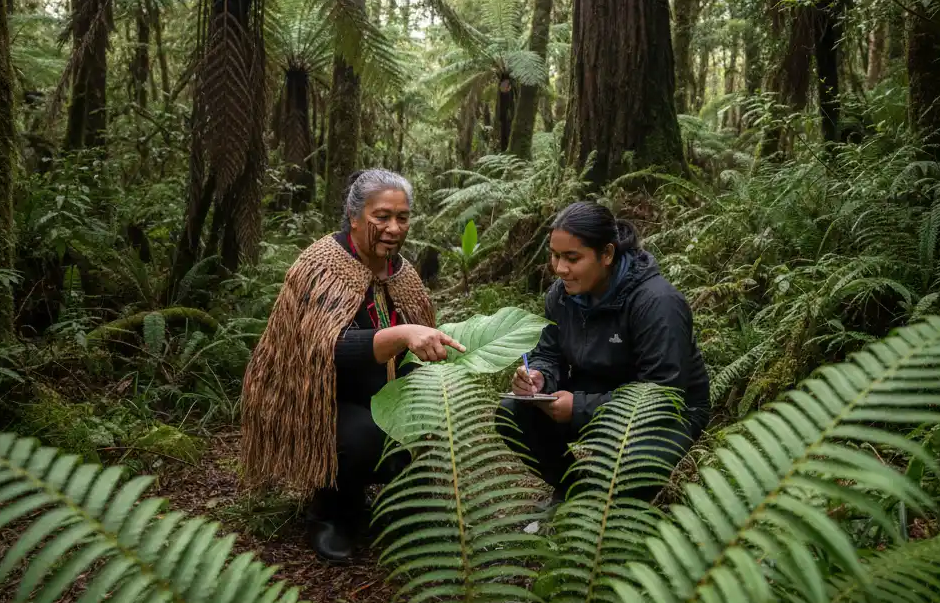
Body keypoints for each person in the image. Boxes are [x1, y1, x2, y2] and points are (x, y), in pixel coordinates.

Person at [241, 168, 464, 564]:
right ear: (355, 215)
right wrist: (398, 336)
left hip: (382, 391)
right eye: (382, 216)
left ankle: (405, 500)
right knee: (362, 439)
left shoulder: (404, 274)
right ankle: (330, 512)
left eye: (403, 217)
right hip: (317, 397)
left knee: (438, 410)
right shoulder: (323, 264)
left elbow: (420, 342)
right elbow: (323, 350)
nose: (394, 228)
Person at [501, 201, 710, 504]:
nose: (560, 269)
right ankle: (574, 490)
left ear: (607, 254)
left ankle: (618, 503)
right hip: (598, 387)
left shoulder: (657, 302)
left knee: (625, 481)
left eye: (572, 258)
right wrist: (538, 377)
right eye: (555, 256)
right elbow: (548, 353)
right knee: (512, 412)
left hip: (670, 410)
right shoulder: (561, 296)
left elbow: (664, 394)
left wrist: (580, 407)